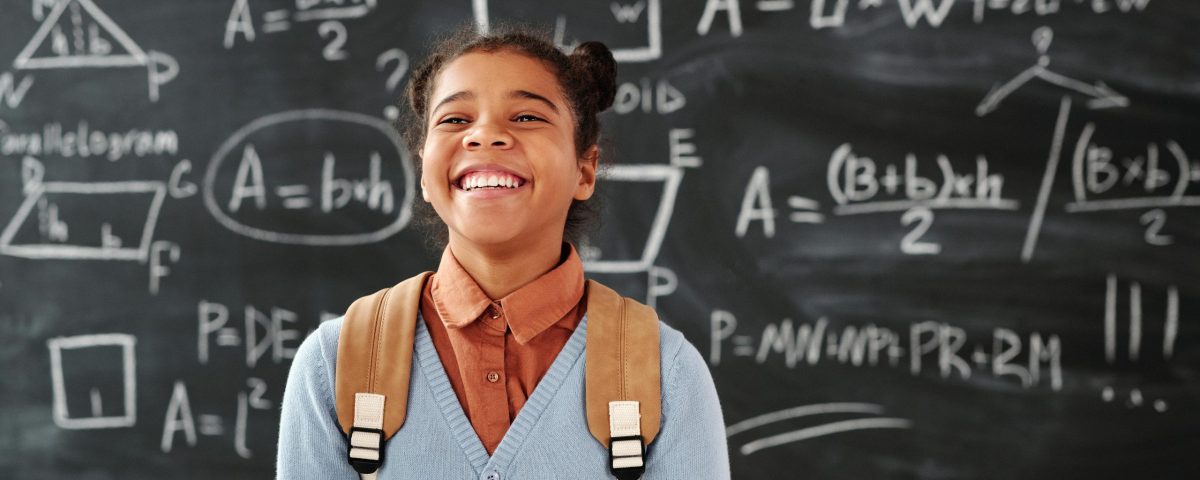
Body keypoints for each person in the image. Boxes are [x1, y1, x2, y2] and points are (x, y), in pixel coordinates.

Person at [276, 25, 730, 479]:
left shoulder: (662, 371)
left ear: (585, 170)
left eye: (527, 117)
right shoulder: (336, 363)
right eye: (455, 120)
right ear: (423, 171)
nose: (485, 135)